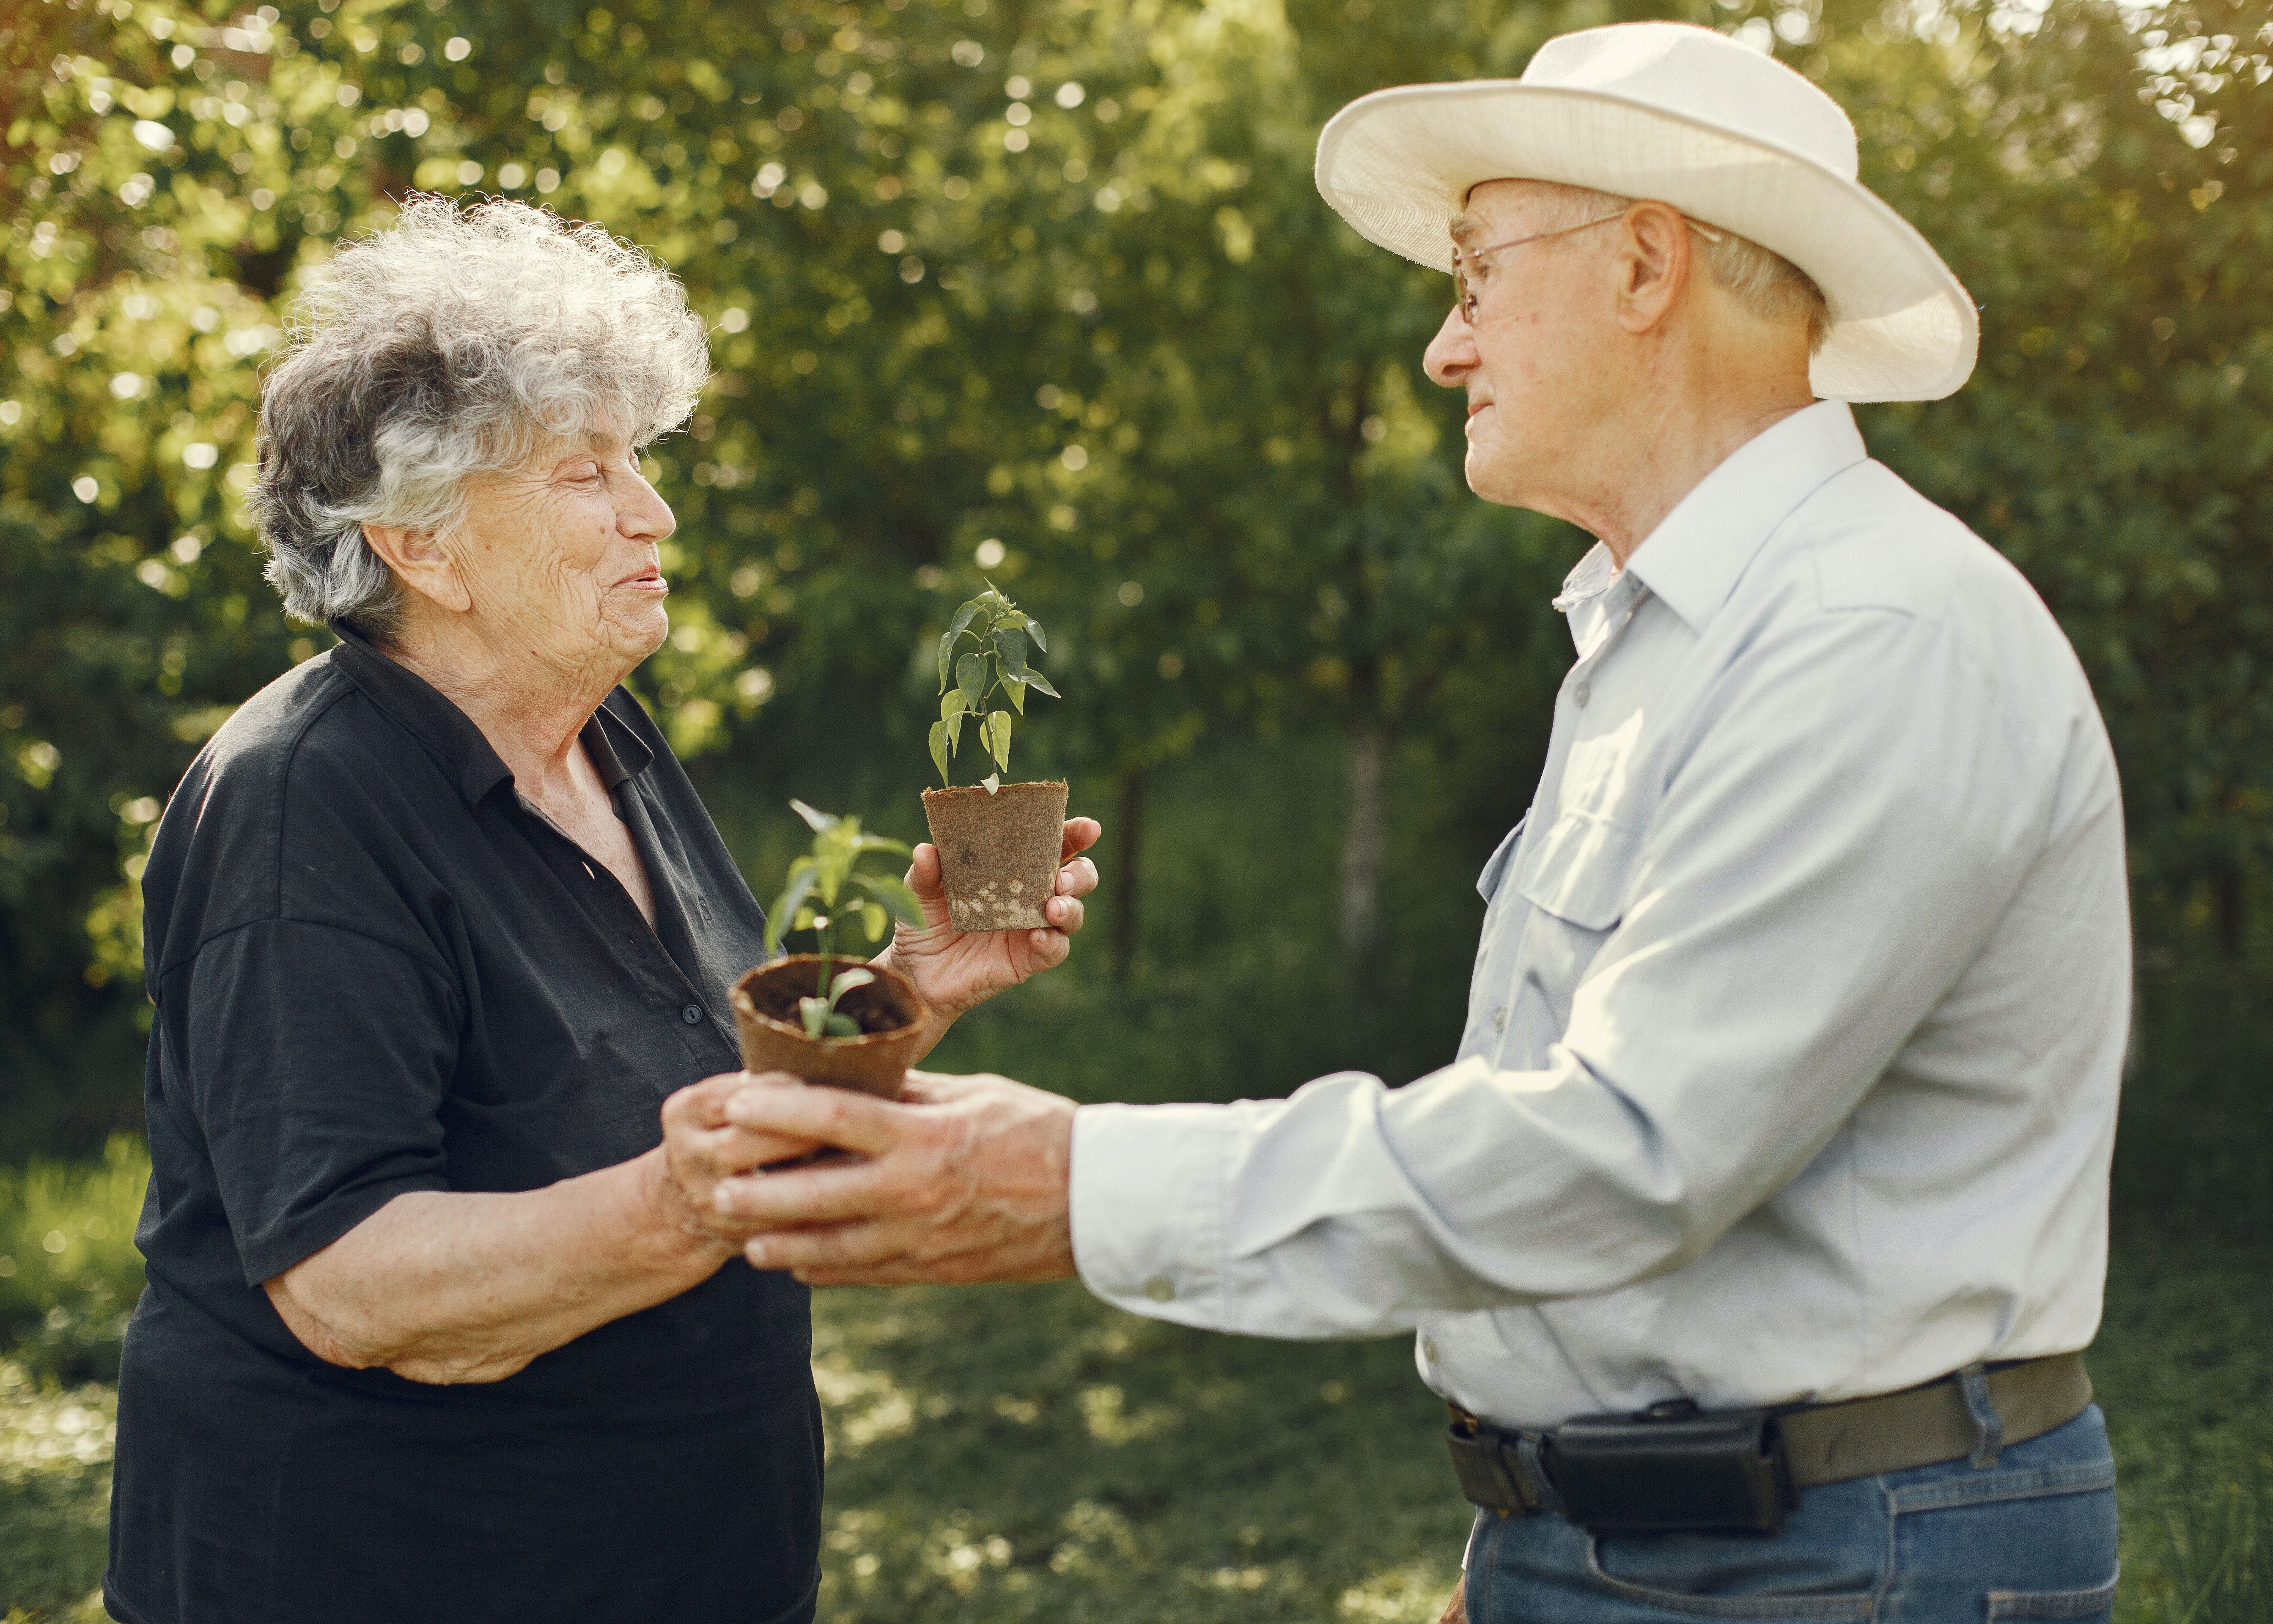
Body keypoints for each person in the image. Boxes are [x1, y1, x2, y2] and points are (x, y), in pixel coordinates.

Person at [699, 23, 2129, 1622]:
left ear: (1647, 265)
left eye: (1471, 279)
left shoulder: (1871, 635)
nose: (1446, 350)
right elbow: (1565, 1132)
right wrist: (1533, 1523)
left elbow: (1631, 1155)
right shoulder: (1661, 644)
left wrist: (1064, 1181)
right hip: (1652, 1541)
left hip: (1830, 1560)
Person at [102, 196, 1100, 1624]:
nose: (656, 510)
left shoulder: (603, 739)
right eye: (586, 472)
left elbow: (690, 1091)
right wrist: (681, 1203)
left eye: (636, 458)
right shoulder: (301, 806)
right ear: (422, 549)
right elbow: (351, 1284)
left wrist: (910, 990)